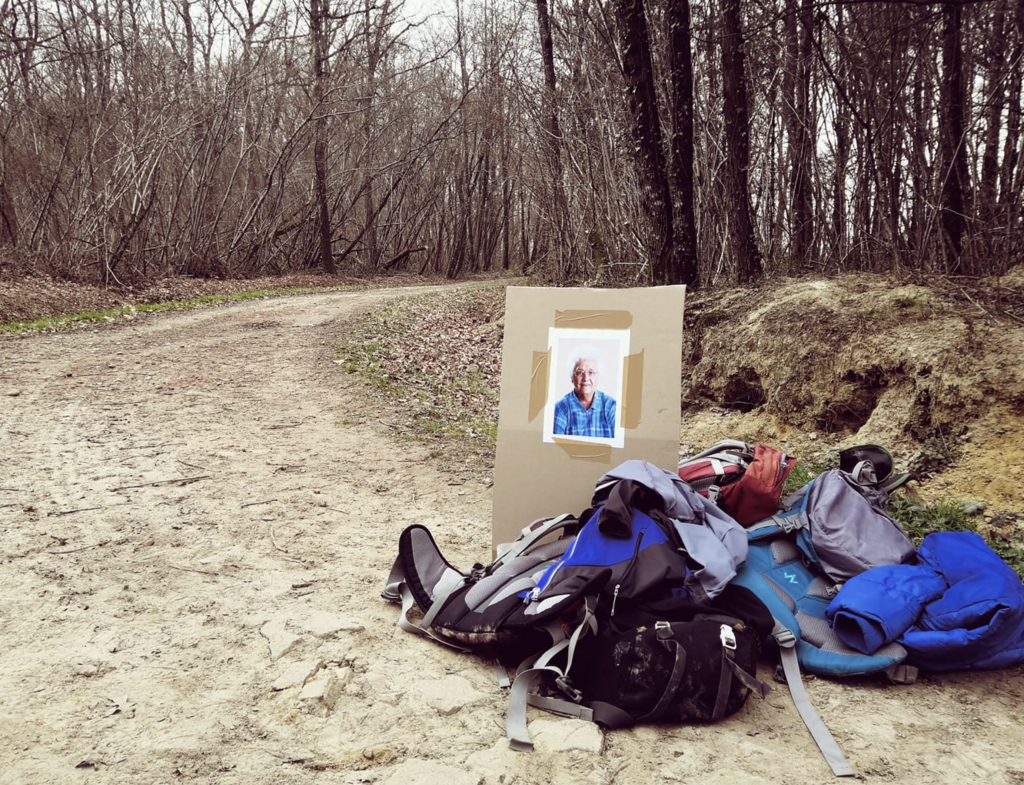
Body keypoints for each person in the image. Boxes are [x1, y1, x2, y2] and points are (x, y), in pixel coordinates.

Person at [552, 347, 617, 438]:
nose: (586, 378)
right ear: (572, 377)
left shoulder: (610, 406)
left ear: (598, 376)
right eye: (580, 372)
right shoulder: (560, 409)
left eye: (591, 372)